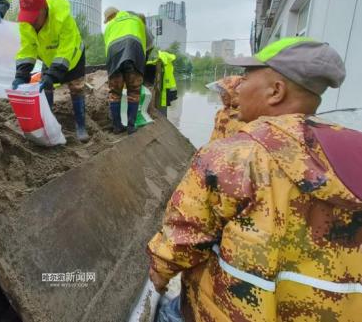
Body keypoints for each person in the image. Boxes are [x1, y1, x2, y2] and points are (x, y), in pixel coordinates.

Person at [147, 37, 362, 321]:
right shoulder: (353, 147)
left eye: (247, 77)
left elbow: (181, 240)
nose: (239, 87)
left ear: (275, 91)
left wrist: (158, 276)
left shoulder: (233, 156)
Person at [12, 0, 89, 142]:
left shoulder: (62, 17)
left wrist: (53, 74)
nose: (31, 22)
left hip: (72, 55)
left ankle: (80, 126)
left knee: (76, 88)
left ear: (44, 9)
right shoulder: (26, 23)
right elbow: (28, 48)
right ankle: (48, 124)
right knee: (45, 86)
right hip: (48, 57)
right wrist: (21, 74)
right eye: (28, 18)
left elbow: (66, 48)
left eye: (34, 17)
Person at [103, 7, 152, 134]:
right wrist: (142, 61)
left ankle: (117, 127)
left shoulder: (109, 27)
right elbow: (150, 43)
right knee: (134, 92)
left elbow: (107, 50)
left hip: (113, 55)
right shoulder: (136, 20)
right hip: (134, 51)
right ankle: (131, 127)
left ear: (112, 16)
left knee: (115, 93)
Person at [208, 75, 244, 141]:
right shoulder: (220, 112)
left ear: (235, 93)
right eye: (220, 92)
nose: (222, 95)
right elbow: (214, 134)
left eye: (225, 92)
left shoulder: (244, 116)